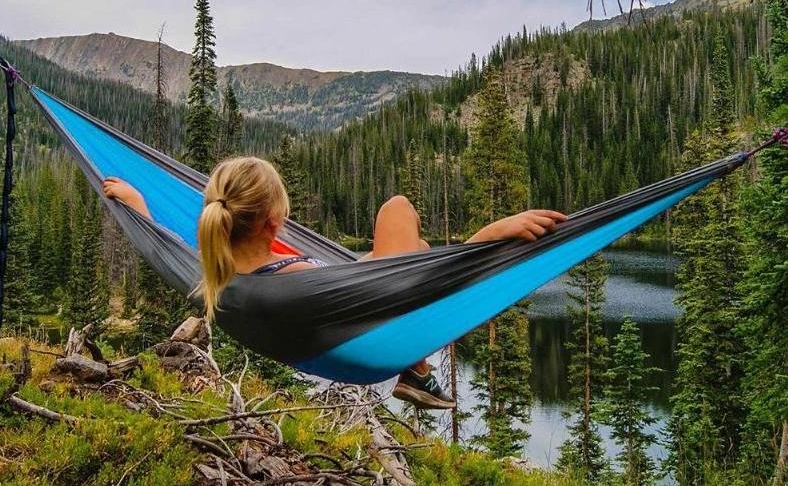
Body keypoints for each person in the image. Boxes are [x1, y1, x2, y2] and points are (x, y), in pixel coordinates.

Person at [104, 157, 566, 410]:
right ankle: (417, 369)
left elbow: (166, 248)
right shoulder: (294, 283)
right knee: (397, 208)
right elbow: (417, 294)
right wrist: (488, 238)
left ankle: (420, 371)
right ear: (273, 222)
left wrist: (139, 206)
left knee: (417, 245)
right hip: (368, 336)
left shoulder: (212, 274)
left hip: (336, 316)